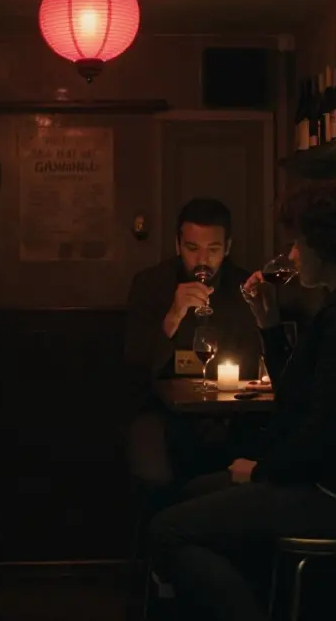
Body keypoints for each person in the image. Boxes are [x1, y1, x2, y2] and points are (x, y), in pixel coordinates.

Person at [147, 181, 336, 621]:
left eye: (298, 244)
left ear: (322, 245)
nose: (293, 256)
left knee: (168, 531)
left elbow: (320, 433)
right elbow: (297, 398)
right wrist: (268, 326)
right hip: (331, 481)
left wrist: (260, 471)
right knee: (192, 490)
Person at [122, 198, 262, 500]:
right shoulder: (150, 284)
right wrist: (172, 316)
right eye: (192, 248)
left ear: (227, 248)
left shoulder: (243, 287)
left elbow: (256, 362)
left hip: (231, 414)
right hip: (160, 411)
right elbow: (134, 364)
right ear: (177, 245)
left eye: (212, 250)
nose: (202, 260)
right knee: (153, 471)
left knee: (252, 460)